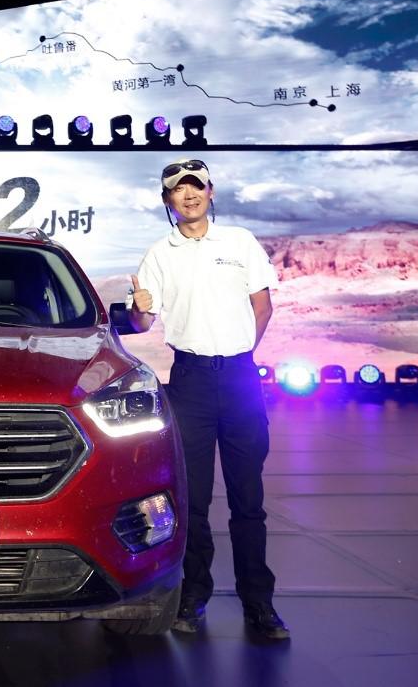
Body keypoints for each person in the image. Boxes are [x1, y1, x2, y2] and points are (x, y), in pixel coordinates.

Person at [127, 159, 290, 640]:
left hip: (240, 378)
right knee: (192, 501)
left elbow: (263, 307)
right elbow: (142, 323)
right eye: (178, 190)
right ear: (167, 201)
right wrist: (138, 310)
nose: (189, 194)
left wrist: (238, 355)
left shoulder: (239, 242)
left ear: (210, 192)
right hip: (190, 382)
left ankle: (259, 602)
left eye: (195, 186)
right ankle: (194, 595)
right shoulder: (160, 253)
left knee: (248, 499)